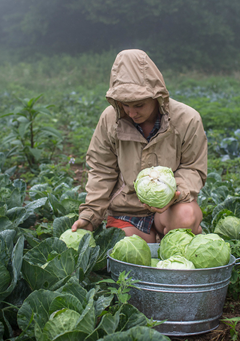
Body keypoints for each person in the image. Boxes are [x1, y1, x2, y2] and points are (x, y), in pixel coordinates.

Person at [71, 49, 207, 243]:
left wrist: (174, 195)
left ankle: (176, 232)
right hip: (127, 210)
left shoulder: (187, 119)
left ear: (156, 96)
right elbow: (102, 170)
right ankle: (158, 239)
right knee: (126, 247)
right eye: (125, 105)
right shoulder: (110, 119)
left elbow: (193, 168)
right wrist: (90, 215)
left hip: (170, 207)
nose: (131, 112)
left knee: (185, 216)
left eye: (139, 105)